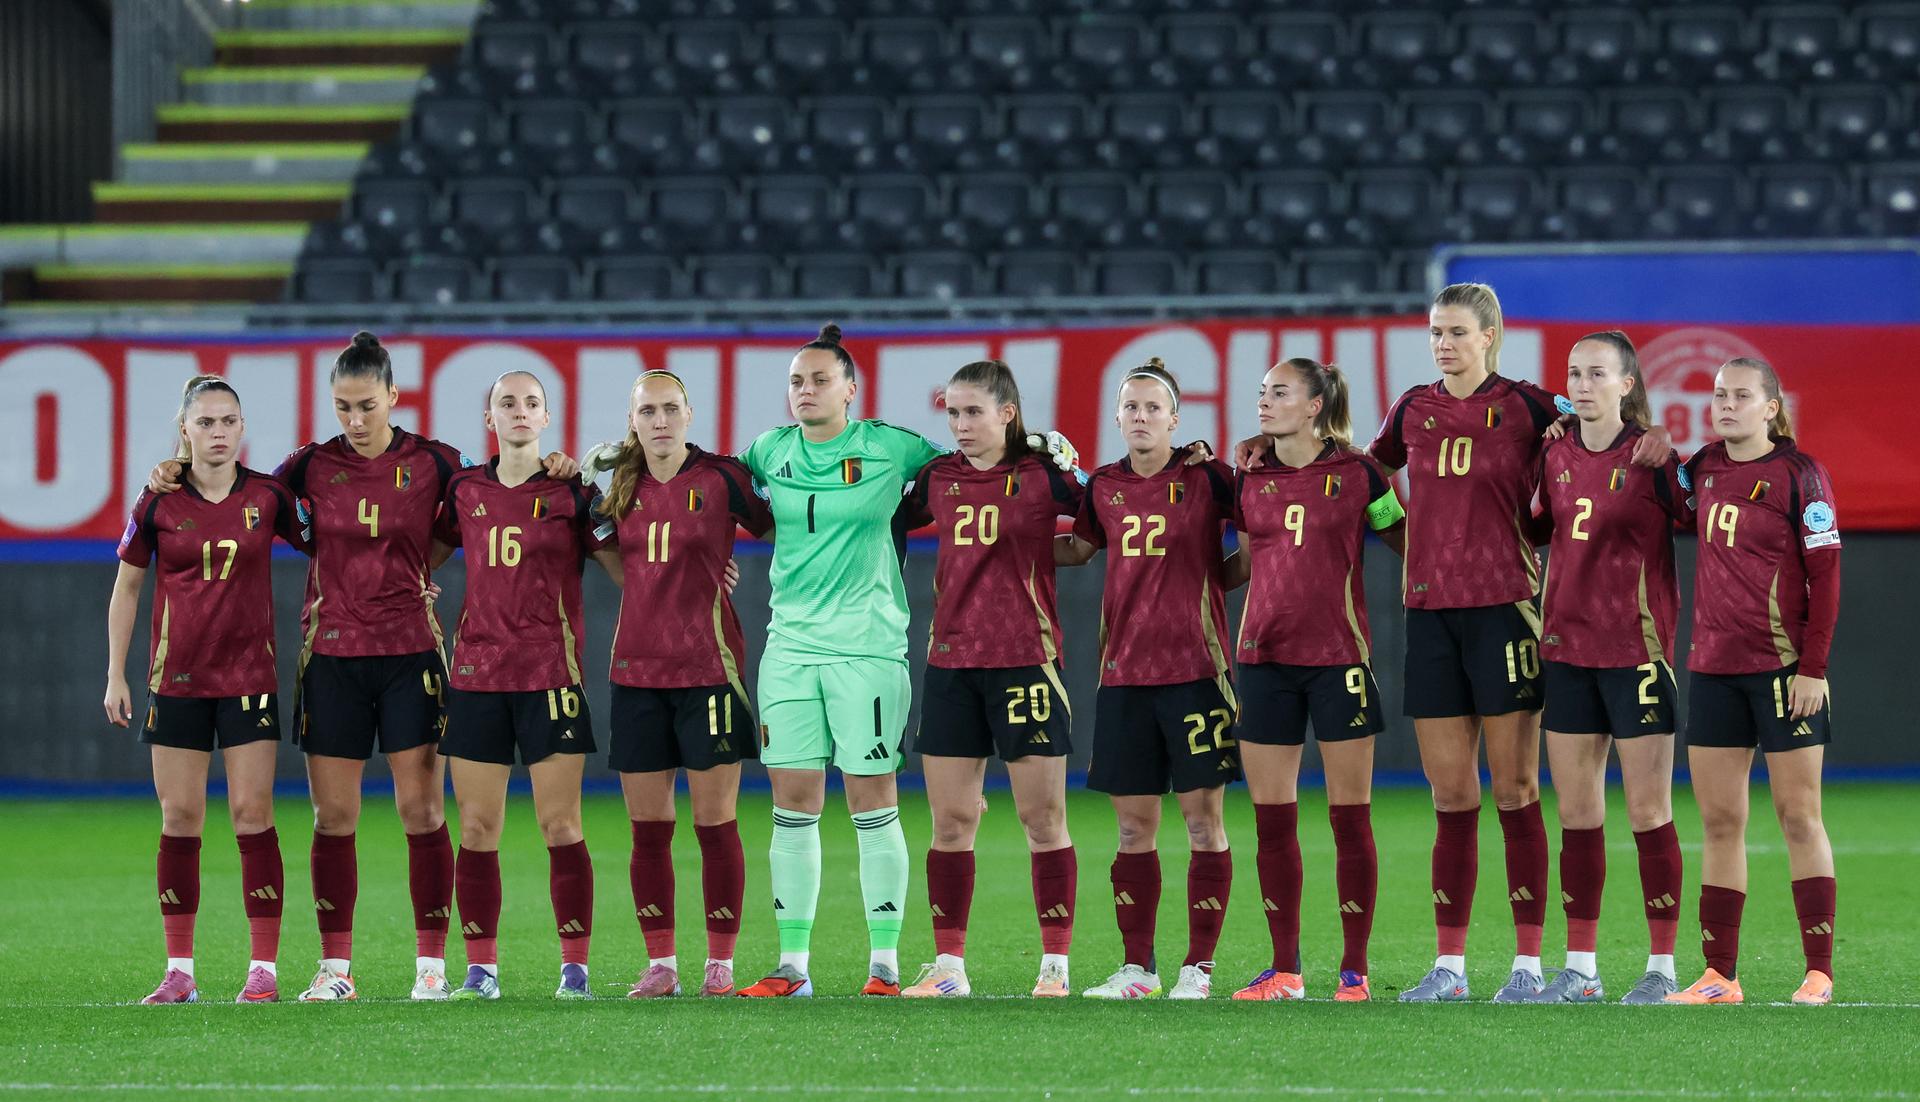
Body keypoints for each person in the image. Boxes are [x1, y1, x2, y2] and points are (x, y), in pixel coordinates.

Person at [143, 330, 577, 1002]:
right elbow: (233, 489)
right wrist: (172, 470)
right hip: (333, 659)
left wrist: (555, 467)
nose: (354, 419)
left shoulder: (437, 463)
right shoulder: (307, 468)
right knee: (334, 817)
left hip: (411, 656)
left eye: (367, 405)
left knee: (422, 810)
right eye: (343, 406)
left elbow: (502, 489)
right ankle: (335, 971)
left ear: (393, 397)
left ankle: (430, 970)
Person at [733, 324, 948, 998]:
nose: (806, 390)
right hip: (791, 648)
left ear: (850, 389)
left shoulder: (891, 446)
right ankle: (792, 966)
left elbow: (972, 469)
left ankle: (883, 962)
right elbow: (708, 496)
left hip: (868, 647)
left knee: (870, 799)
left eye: (820, 379)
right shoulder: (768, 451)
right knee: (792, 803)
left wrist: (1045, 455)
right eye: (797, 381)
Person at [106, 376, 308, 1004]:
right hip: (177, 681)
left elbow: (336, 549)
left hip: (249, 680)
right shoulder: (158, 500)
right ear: (185, 429)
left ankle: (264, 970)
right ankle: (180, 971)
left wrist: (412, 578)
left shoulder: (270, 497)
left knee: (253, 816)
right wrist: (115, 672)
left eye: (228, 422)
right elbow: (129, 585)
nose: (218, 433)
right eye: (206, 422)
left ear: (242, 429)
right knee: (180, 818)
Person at [1056, 358, 1244, 1001]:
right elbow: (1078, 549)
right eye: (1130, 407)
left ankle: (1199, 968)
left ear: (1175, 419)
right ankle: (1138, 969)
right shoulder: (1102, 485)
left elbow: (1264, 532)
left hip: (1197, 672)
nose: (1140, 417)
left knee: (1202, 825)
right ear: (1116, 416)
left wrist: (1217, 582)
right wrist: (1000, 540)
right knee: (1133, 829)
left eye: (1152, 408)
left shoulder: (1208, 478)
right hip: (1124, 677)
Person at [897, 360, 1084, 998]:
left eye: (973, 411)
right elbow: (880, 526)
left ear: (1008, 413)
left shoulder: (1042, 476)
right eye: (952, 412)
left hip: (1026, 660)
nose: (960, 424)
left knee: (1042, 816)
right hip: (951, 664)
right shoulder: (936, 478)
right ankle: (949, 968)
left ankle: (1054, 966)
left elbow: (1109, 512)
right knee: (950, 822)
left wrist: (1071, 468)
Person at [431, 371, 615, 1000]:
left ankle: (575, 971)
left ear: (545, 418)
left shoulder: (573, 493)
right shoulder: (463, 491)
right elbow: (420, 553)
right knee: (478, 830)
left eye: (530, 403)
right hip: (478, 676)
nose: (518, 411)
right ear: (490, 417)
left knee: (560, 825)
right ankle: (481, 971)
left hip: (550, 676)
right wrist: (410, 581)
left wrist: (701, 572)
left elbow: (625, 565)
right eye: (506, 402)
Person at [1228, 358, 1405, 1003]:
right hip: (1264, 658)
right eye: (1261, 391)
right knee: (1273, 823)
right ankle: (1285, 970)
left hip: (1340, 660)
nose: (1265, 402)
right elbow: (1242, 564)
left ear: (1314, 405)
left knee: (1349, 818)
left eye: (1279, 392)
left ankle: (1353, 971)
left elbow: (1403, 536)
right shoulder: (1246, 477)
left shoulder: (1360, 474)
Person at [1667, 357, 1840, 1007]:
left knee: (1799, 816)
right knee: (1718, 821)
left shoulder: (1802, 475)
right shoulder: (1702, 467)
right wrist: (1576, 421)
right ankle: (1719, 975)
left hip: (1782, 671)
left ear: (1771, 406)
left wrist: (1813, 670)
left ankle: (1819, 970)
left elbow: (1826, 578)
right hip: (1712, 670)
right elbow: (1645, 492)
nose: (1728, 405)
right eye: (1719, 395)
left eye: (1742, 396)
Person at [596, 370, 772, 998]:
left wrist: (723, 575)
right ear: (633, 418)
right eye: (649, 411)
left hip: (710, 672)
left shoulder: (724, 479)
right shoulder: (615, 487)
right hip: (637, 673)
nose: (661, 421)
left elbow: (783, 529)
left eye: (671, 409)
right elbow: (604, 549)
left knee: (714, 822)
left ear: (690, 414)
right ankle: (662, 963)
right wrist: (648, 584)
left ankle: (719, 963)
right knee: (648, 828)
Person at [1529, 332, 1691, 1004]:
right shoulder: (1554, 452)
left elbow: (1700, 514)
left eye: (1599, 373)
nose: (1585, 383)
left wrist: (1673, 456)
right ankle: (1582, 968)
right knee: (1577, 814)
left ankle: (1662, 967)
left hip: (1636, 654)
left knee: (1649, 812)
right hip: (1567, 652)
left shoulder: (1651, 457)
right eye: (1575, 373)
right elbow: (1536, 527)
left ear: (1627, 384)